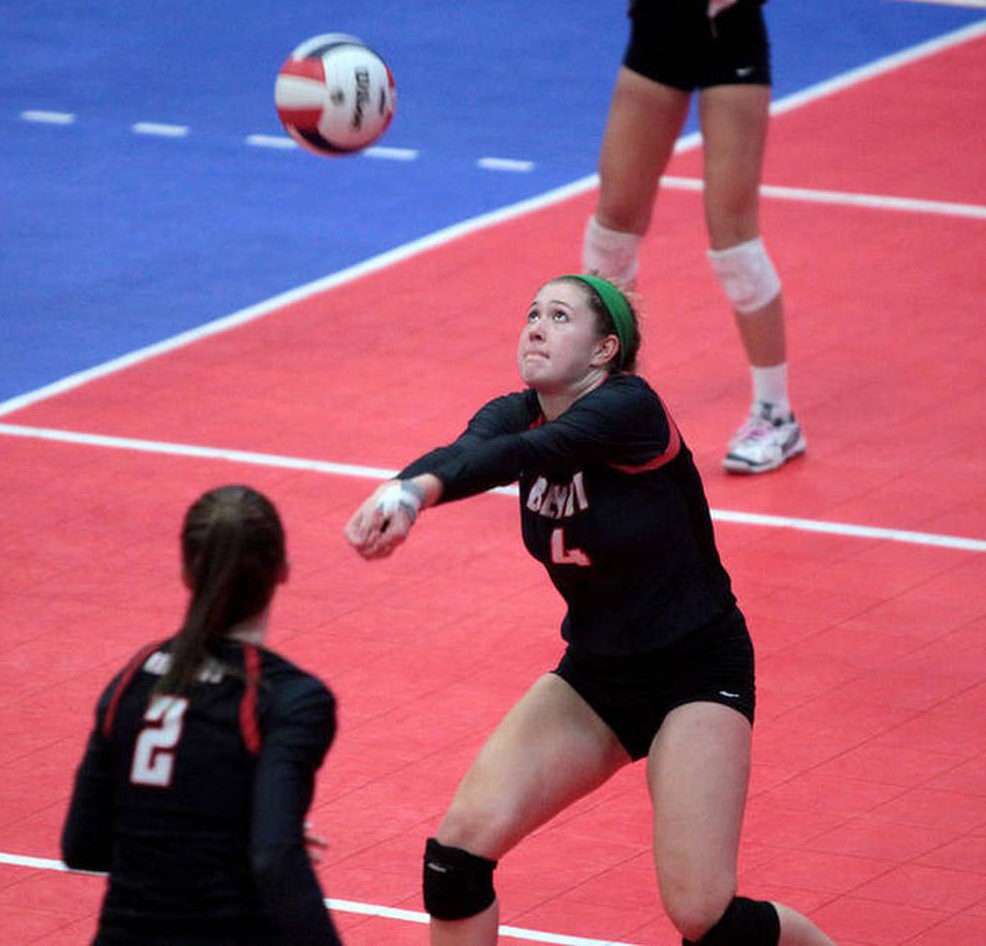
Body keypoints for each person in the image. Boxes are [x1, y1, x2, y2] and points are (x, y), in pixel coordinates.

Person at [345, 276, 833, 946]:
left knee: (705, 917)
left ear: (605, 349)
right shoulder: (517, 412)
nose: (536, 326)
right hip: (597, 675)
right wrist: (399, 493)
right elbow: (468, 452)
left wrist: (419, 493)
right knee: (455, 859)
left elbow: (527, 455)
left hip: (694, 671)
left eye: (559, 316)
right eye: (531, 312)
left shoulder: (630, 409)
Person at [62, 484, 341, 946]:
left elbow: (83, 845)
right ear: (282, 570)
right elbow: (273, 859)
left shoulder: (132, 680)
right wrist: (261, 840)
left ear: (187, 573)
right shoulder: (288, 698)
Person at [583, 0, 805, 474]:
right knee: (612, 229)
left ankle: (776, 415)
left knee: (734, 242)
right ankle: (612, 400)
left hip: (728, 39)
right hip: (655, 34)